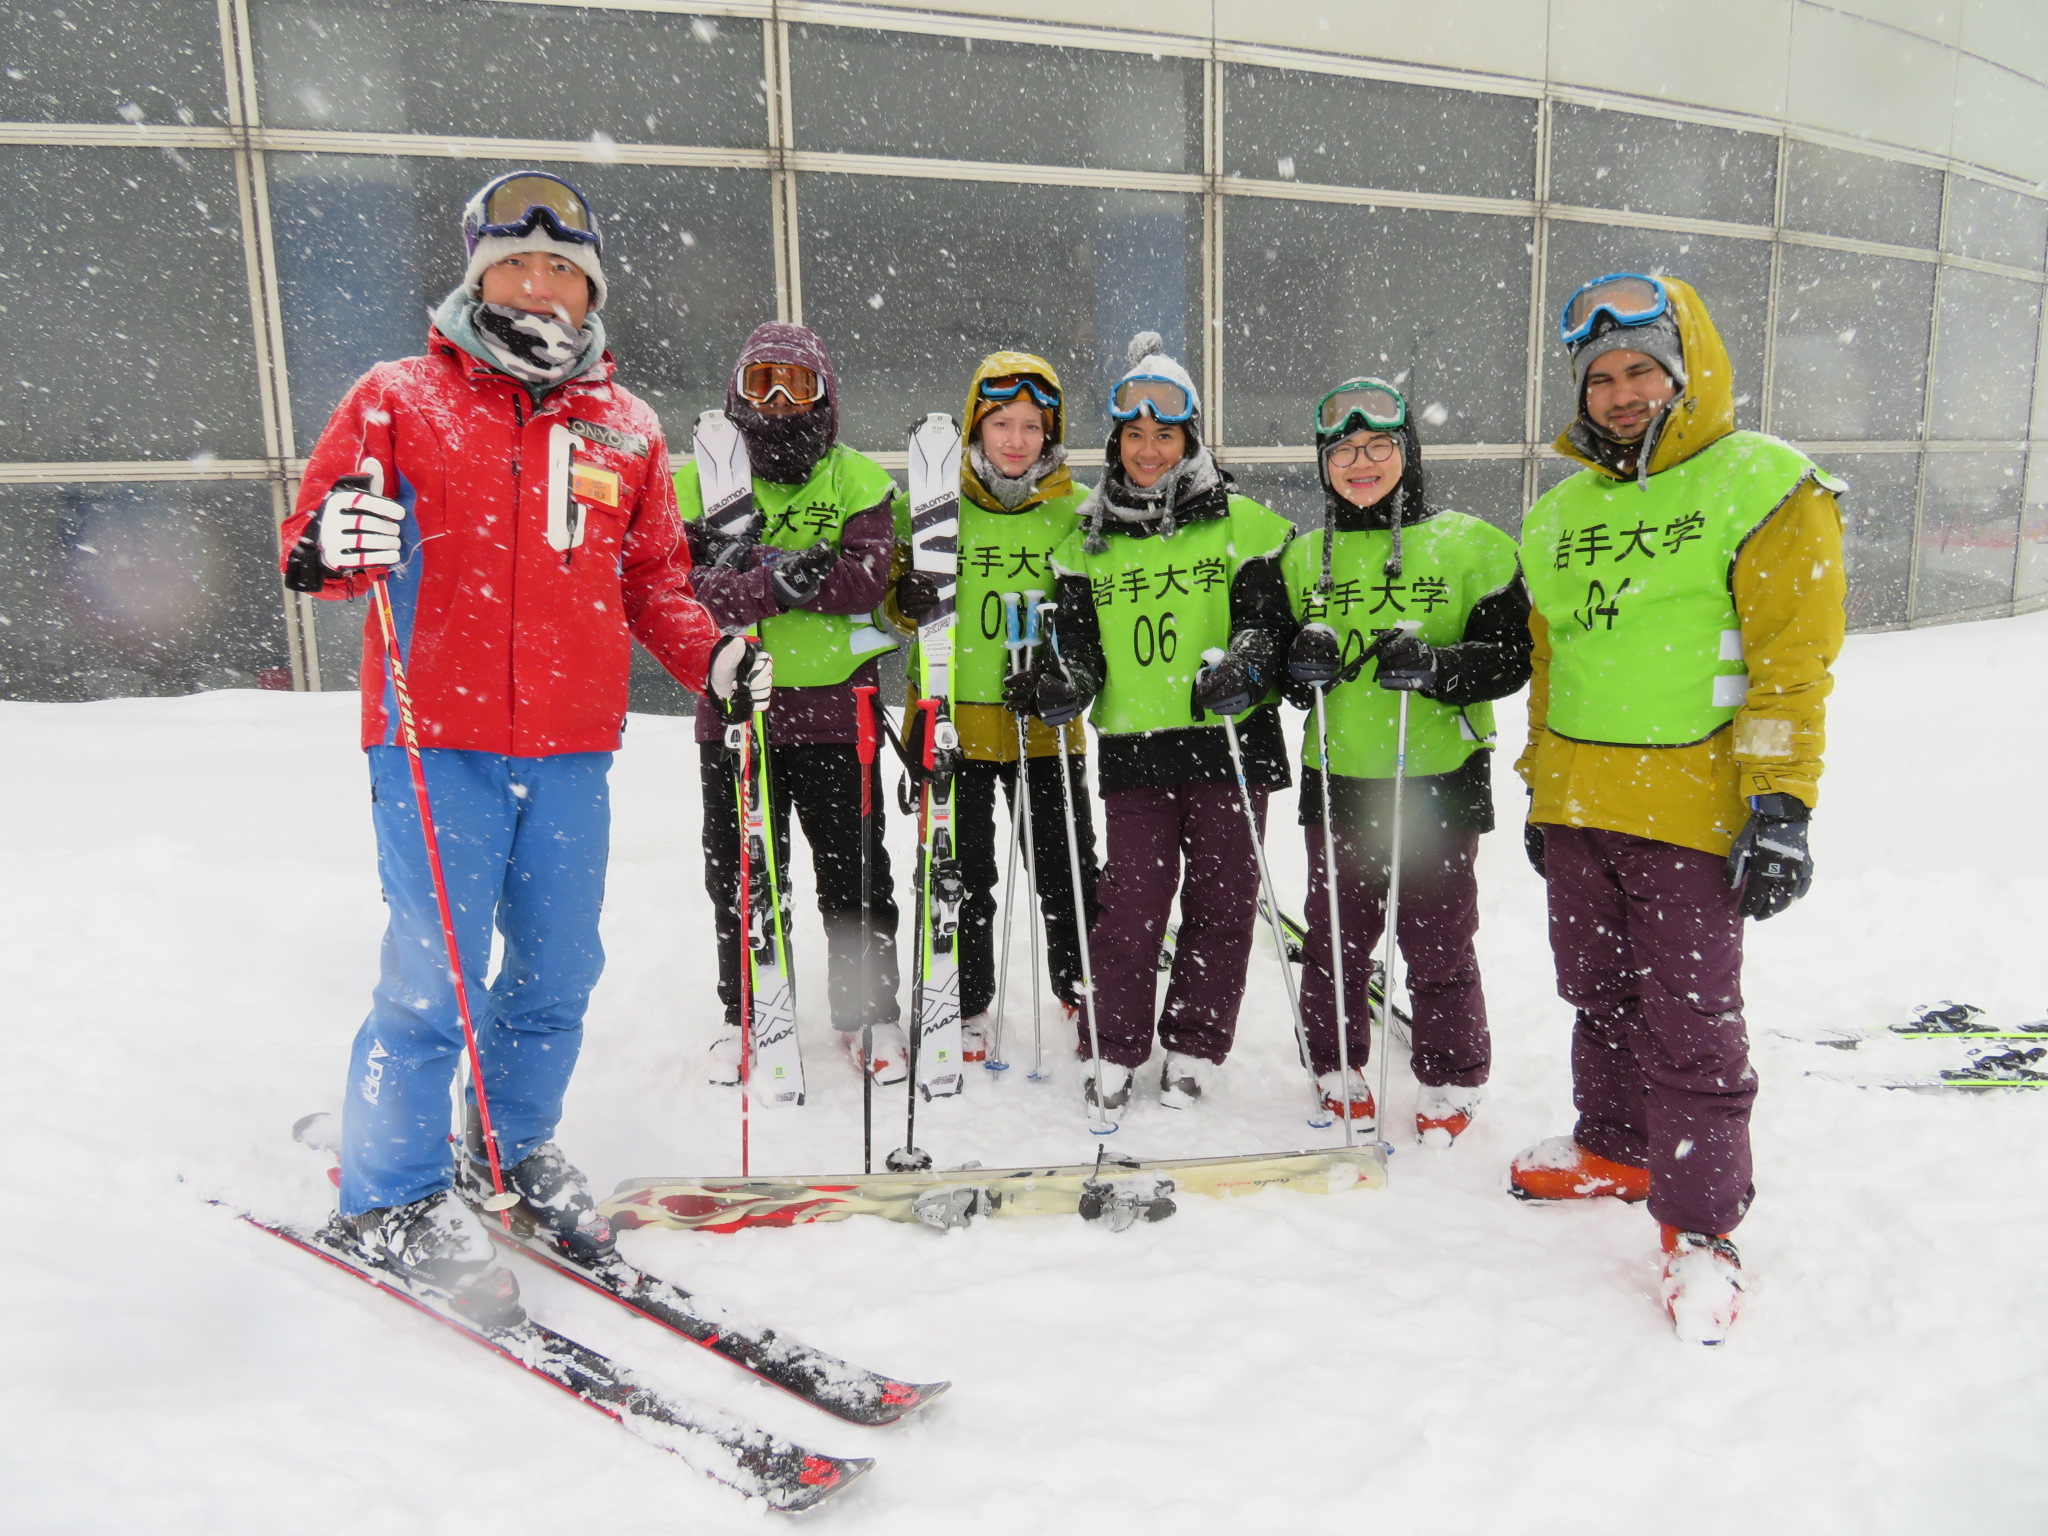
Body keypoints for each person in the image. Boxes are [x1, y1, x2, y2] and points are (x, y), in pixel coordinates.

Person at [279, 171, 760, 1317]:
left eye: (561, 269)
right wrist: (324, 548)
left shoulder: (626, 427)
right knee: (434, 975)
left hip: (569, 746)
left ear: (587, 286)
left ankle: (508, 1143)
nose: (537, 284)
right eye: (515, 263)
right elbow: (319, 537)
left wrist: (713, 658)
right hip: (430, 734)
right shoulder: (397, 398)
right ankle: (388, 1193)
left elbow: (653, 581)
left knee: (557, 970)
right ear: (476, 272)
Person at [1510, 273, 1845, 1344]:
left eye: (1639, 371)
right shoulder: (1558, 513)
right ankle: (1613, 1148)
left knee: (1689, 1023)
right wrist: (1540, 789)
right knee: (1593, 990)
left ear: (1683, 371)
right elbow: (1551, 661)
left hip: (1690, 813)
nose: (1617, 393)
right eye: (1600, 376)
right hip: (1580, 808)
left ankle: (1700, 1232)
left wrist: (1781, 802)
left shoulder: (1764, 484)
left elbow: (1789, 665)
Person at [1037, 333, 1295, 1112]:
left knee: (1221, 904)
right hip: (1137, 746)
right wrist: (1068, 680)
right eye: (1135, 436)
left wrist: (1246, 665)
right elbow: (1078, 643)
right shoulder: (1084, 538)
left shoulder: (1244, 524)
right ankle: (1114, 1047)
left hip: (1227, 738)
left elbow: (1268, 622)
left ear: (1191, 441)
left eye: (1167, 435)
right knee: (1132, 907)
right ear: (1116, 442)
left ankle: (1194, 1045)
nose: (1149, 451)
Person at [1278, 379, 1529, 1138]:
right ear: (1324, 463)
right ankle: (1336, 1062)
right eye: (1343, 450)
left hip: (1439, 779)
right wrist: (1299, 667)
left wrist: (1441, 666)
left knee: (1439, 936)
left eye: (1379, 446)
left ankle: (1451, 1075)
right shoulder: (1298, 559)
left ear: (1408, 453)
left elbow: (1512, 656)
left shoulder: (1474, 546)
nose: (1361, 462)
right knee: (1336, 936)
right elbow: (1276, 671)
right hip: (1342, 776)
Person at [676, 323, 906, 1088]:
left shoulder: (858, 480)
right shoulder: (696, 480)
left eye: (797, 386)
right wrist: (782, 578)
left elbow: (865, 580)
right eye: (761, 383)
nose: (778, 403)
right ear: (735, 393)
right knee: (741, 870)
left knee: (854, 873)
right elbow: (681, 587)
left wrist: (755, 569)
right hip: (739, 709)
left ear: (826, 395)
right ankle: (747, 1014)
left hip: (841, 714)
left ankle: (867, 1014)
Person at [893, 353, 1101, 1060]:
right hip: (956, 723)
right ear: (978, 426)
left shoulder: (1076, 510)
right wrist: (906, 600)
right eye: (1001, 423)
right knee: (964, 872)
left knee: (1064, 868)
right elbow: (896, 597)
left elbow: (1092, 616)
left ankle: (1083, 986)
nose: (1015, 440)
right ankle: (968, 995)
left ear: (1052, 434)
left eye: (1032, 427)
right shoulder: (932, 503)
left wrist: (1063, 674)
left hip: (1044, 724)